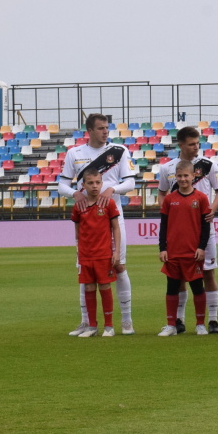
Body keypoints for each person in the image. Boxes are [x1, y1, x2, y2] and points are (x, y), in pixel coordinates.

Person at [58, 113, 137, 335]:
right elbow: (61, 185)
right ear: (90, 130)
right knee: (85, 269)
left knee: (119, 265)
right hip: (87, 218)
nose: (105, 132)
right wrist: (75, 193)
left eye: (107, 128)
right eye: (101, 128)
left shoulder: (119, 151)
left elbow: (130, 181)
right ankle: (87, 322)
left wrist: (113, 189)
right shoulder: (75, 153)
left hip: (112, 215)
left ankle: (126, 321)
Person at [158, 125, 218, 333]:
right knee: (178, 278)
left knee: (208, 273)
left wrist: (211, 211)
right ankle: (178, 320)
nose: (196, 147)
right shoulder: (167, 168)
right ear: (181, 145)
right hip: (179, 234)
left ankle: (212, 320)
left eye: (198, 143)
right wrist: (168, 212)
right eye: (191, 144)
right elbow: (162, 193)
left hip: (204, 231)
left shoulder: (209, 165)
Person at [157, 160, 212, 336]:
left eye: (186, 176)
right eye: (179, 176)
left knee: (197, 288)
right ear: (175, 177)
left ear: (193, 175)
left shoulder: (201, 198)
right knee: (171, 288)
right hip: (173, 252)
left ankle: (200, 324)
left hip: (193, 253)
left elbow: (205, 227)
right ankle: (171, 325)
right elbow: (163, 225)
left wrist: (201, 247)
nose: (182, 179)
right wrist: (162, 249)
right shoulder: (169, 199)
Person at [70, 168, 123, 338]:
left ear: (102, 183)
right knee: (89, 287)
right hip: (86, 255)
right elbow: (78, 232)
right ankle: (92, 326)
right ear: (83, 185)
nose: (95, 186)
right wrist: (79, 251)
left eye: (98, 182)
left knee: (105, 287)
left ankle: (109, 326)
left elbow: (116, 228)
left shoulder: (109, 204)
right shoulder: (79, 206)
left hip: (103, 254)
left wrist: (116, 253)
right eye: (90, 183)